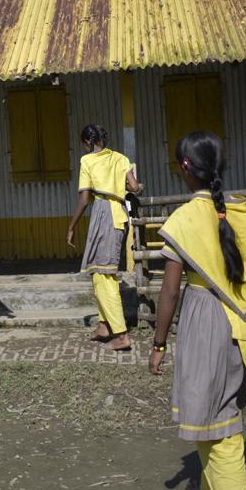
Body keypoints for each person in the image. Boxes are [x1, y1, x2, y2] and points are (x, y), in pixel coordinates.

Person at [149, 131, 246, 490]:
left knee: (217, 430)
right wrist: (240, 289)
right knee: (221, 416)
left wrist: (158, 344)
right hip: (244, 324)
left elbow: (169, 291)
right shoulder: (242, 211)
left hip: (206, 326)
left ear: (185, 167)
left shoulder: (185, 219)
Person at [66, 124, 143, 352]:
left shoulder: (87, 161)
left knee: (104, 275)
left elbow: (84, 199)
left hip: (103, 214)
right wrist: (135, 188)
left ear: (87, 143)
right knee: (99, 271)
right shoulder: (120, 158)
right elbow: (134, 186)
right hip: (119, 215)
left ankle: (121, 334)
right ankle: (104, 325)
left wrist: (71, 226)